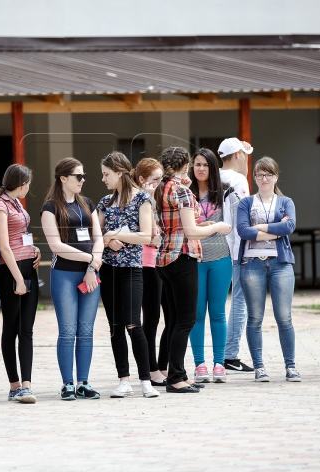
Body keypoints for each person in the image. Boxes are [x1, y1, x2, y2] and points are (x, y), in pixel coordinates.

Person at [155, 146, 231, 393]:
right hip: (183, 257)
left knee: (176, 319)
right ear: (185, 164)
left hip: (165, 258)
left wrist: (203, 223)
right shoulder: (183, 191)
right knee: (185, 320)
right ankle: (175, 377)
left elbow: (178, 224)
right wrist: (216, 227)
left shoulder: (162, 188)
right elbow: (191, 232)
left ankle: (178, 373)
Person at [97, 152, 160, 399]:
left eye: (106, 174)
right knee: (115, 327)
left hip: (132, 269)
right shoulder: (104, 202)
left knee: (134, 324)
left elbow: (146, 236)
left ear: (120, 173)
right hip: (109, 270)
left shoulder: (142, 199)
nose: (103, 179)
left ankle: (145, 380)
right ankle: (123, 380)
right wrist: (105, 238)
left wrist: (116, 235)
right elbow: (96, 236)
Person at [41, 158, 104, 401]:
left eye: (84, 176)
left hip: (90, 273)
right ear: (63, 178)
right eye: (79, 176)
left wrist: (92, 264)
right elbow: (56, 246)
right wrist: (90, 258)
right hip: (65, 275)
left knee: (86, 331)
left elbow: (98, 237)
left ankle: (83, 383)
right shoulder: (50, 207)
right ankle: (67, 383)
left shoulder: (87, 203)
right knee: (68, 331)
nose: (83, 180)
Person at [236, 157, 300, 382]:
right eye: (259, 175)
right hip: (251, 264)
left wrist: (260, 227)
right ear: (254, 177)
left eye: (268, 175)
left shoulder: (285, 201)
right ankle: (259, 368)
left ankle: (291, 367)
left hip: (280, 263)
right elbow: (243, 231)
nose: (263, 179)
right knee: (255, 318)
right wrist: (276, 230)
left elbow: (289, 226)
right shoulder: (246, 203)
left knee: (284, 317)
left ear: (276, 176)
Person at [0, 165, 41, 403]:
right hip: (12, 271)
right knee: (11, 326)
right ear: (21, 184)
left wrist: (34, 249)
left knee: (26, 328)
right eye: (28, 184)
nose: (29, 188)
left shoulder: (17, 202)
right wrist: (18, 278)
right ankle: (14, 385)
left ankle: (27, 385)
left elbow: (21, 235)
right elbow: (4, 246)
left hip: (28, 265)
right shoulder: (0, 205)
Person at [188, 148, 235, 383]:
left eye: (206, 165)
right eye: (197, 164)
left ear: (213, 168)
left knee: (217, 313)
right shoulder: (185, 193)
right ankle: (200, 365)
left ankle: (219, 364)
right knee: (196, 314)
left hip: (220, 258)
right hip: (193, 259)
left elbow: (234, 225)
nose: (201, 169)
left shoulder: (226, 193)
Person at [132, 158, 171, 385]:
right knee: (151, 318)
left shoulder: (155, 197)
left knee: (167, 316)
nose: (158, 184)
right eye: (154, 180)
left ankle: (161, 366)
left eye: (160, 180)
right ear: (141, 179)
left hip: (161, 261)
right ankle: (150, 369)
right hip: (145, 262)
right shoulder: (138, 199)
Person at [218, 137, 255, 373]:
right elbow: (244, 215)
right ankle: (230, 354)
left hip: (213, 247)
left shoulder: (213, 177)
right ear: (239, 155)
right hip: (236, 247)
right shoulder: (238, 179)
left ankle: (217, 356)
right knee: (240, 300)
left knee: (215, 304)